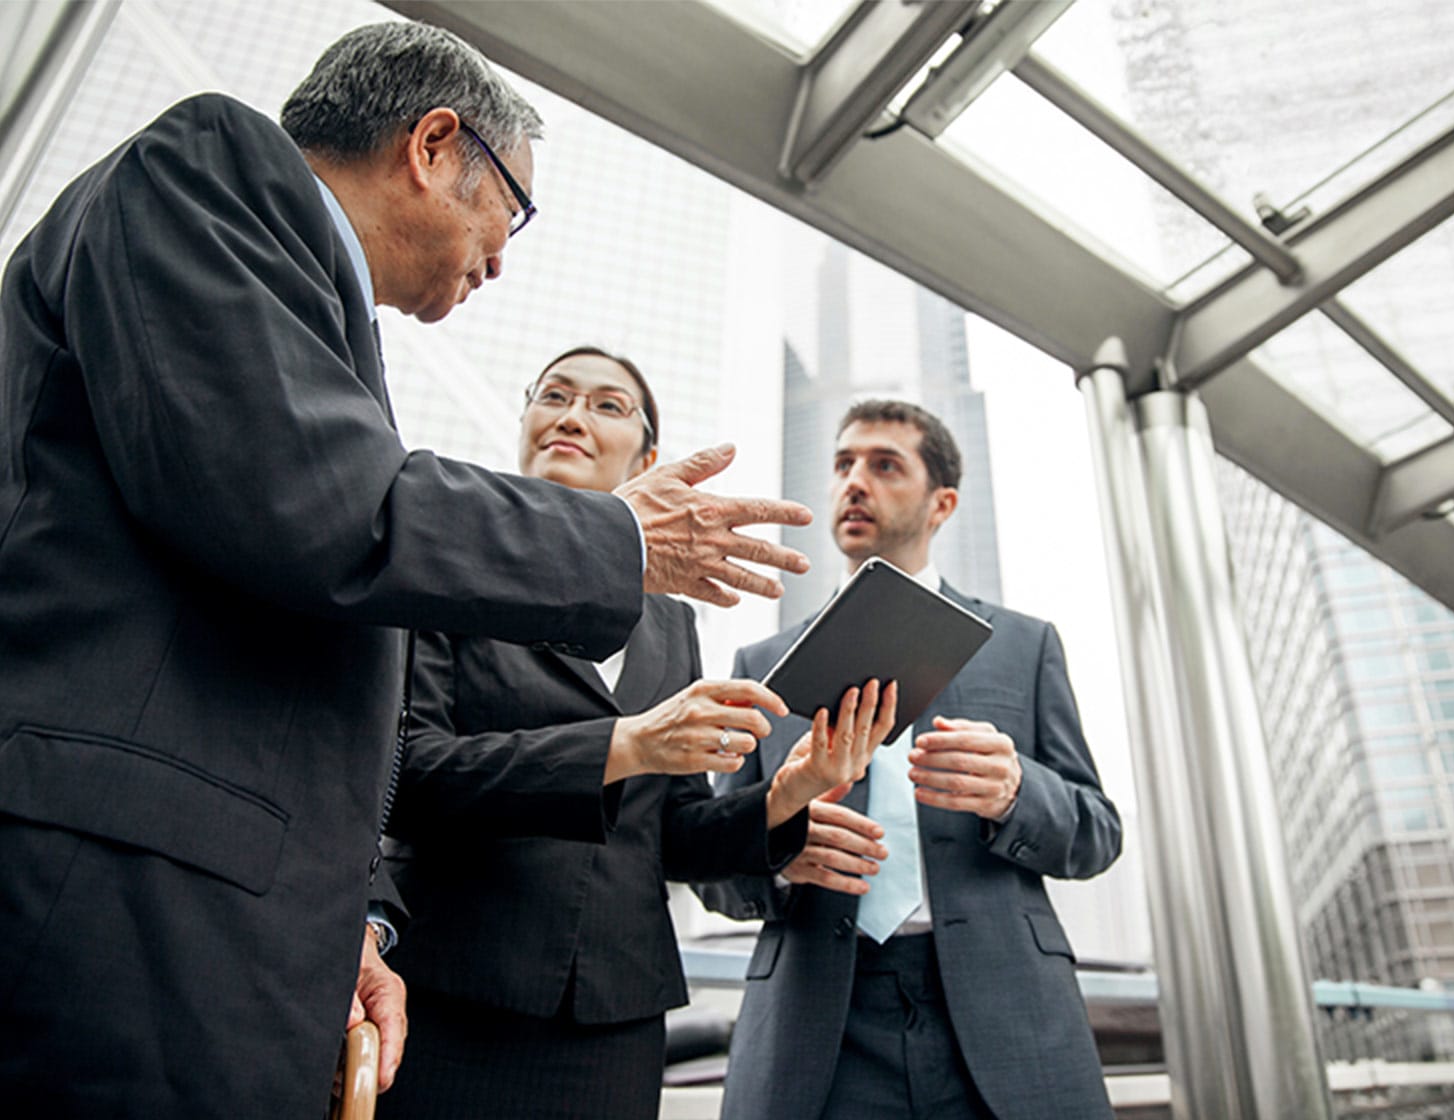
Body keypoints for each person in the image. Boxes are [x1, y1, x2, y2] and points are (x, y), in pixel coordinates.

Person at [0, 23, 810, 1117]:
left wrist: (352, 919)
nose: (503, 256)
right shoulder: (208, 169)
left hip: (264, 928)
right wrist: (618, 543)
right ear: (433, 145)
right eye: (510, 209)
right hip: (122, 899)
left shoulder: (331, 337)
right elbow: (319, 503)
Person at [377, 347, 898, 1119]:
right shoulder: (457, 558)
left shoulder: (671, 623)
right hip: (452, 999)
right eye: (553, 396)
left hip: (616, 1018)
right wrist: (626, 746)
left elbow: (675, 834)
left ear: (649, 458)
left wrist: (787, 793)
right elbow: (409, 777)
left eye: (607, 405)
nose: (573, 416)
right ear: (525, 422)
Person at [697, 400, 1123, 1120]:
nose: (854, 482)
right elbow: (711, 867)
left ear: (942, 502)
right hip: (819, 1027)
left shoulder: (1025, 645)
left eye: (885, 465)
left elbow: (1097, 832)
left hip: (1006, 1017)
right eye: (843, 464)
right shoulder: (762, 665)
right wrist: (777, 847)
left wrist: (1019, 789)